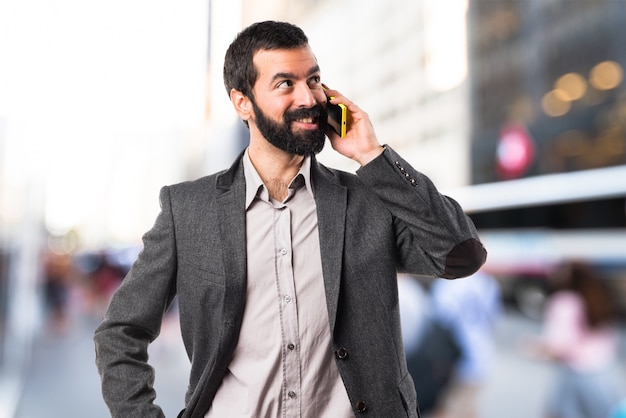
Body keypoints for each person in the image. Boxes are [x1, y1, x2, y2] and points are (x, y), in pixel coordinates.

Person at [93, 20, 486, 418]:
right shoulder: (188, 211)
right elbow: (120, 333)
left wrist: (372, 155)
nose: (309, 98)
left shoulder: (369, 200)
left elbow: (462, 255)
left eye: (313, 80)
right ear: (242, 102)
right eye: (285, 84)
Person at [526, 261, 625, 418]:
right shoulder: (599, 297)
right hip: (604, 373)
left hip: (576, 375)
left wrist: (532, 348)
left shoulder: (564, 302)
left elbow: (558, 347)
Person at [427, 270, 502, 418]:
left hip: (456, 359)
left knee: (446, 409)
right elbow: (494, 318)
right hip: (482, 353)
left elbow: (439, 319)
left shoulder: (447, 284)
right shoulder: (488, 282)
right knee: (467, 407)